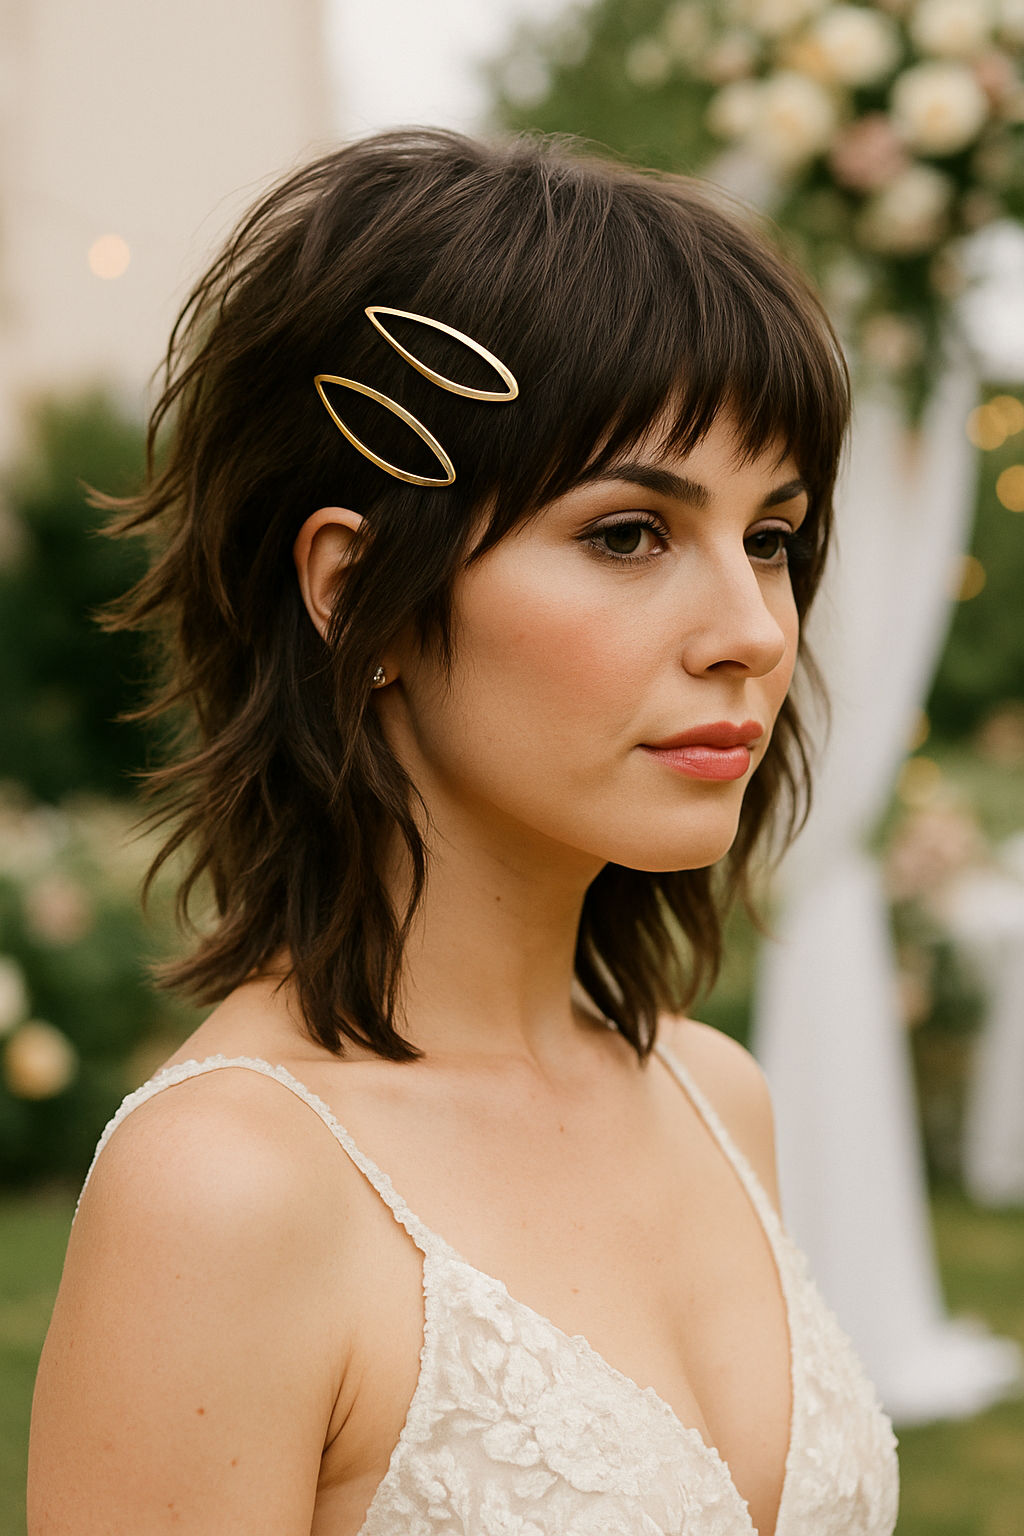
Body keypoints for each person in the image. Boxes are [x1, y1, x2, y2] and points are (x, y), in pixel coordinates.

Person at [28, 131, 898, 1536]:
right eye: (629, 533)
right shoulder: (230, 1191)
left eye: (774, 536)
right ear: (354, 586)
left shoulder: (711, 1093)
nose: (751, 632)